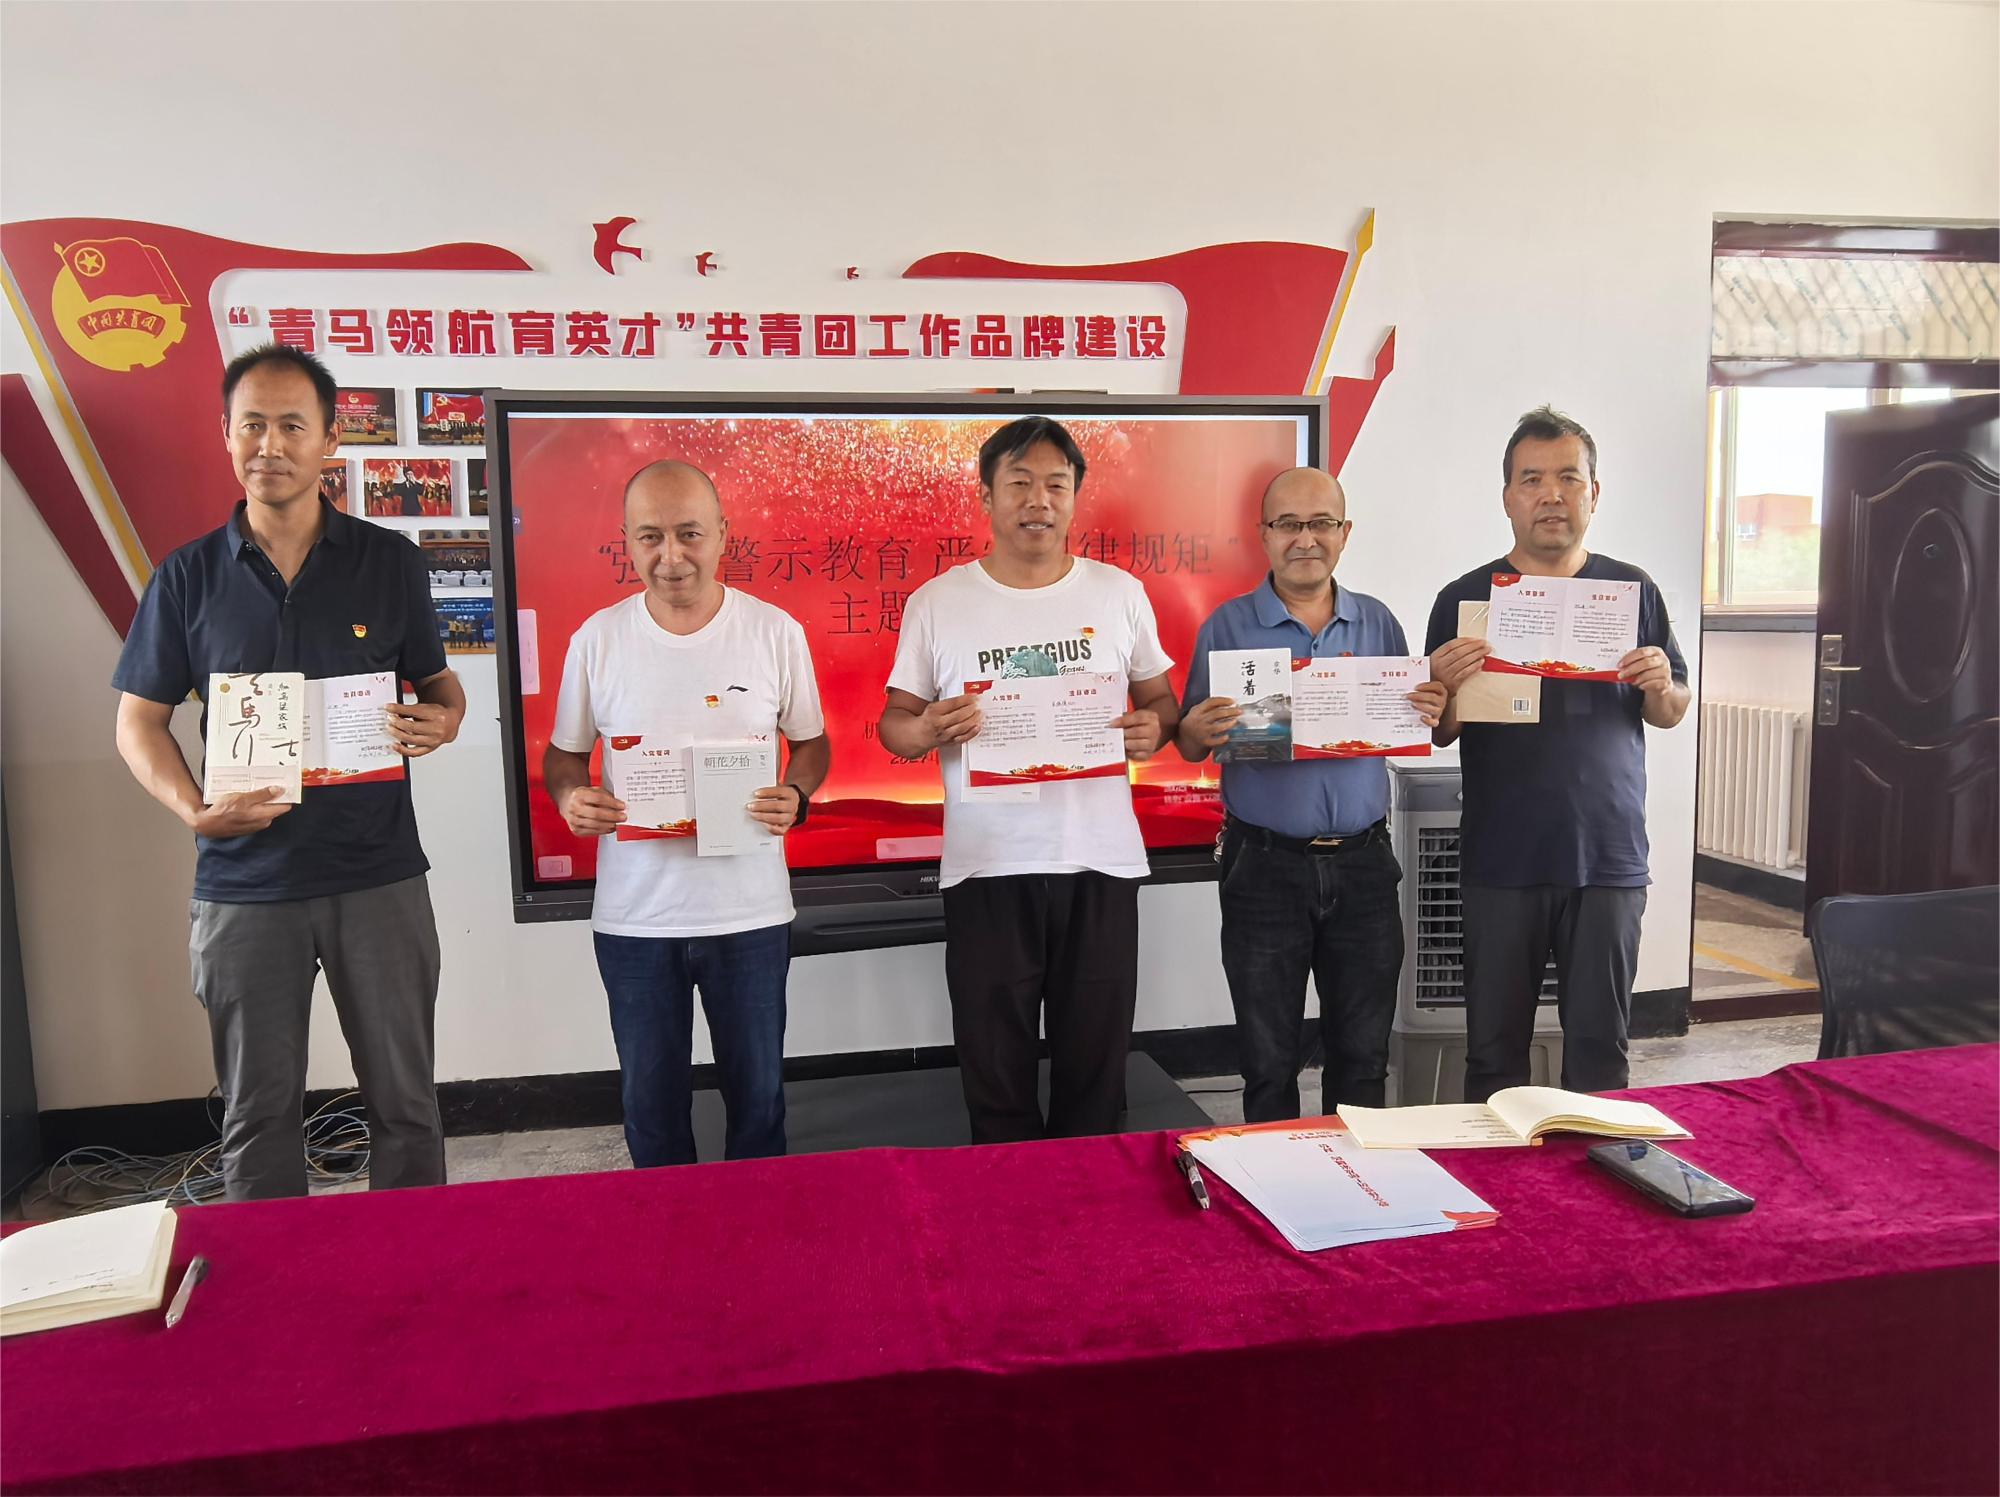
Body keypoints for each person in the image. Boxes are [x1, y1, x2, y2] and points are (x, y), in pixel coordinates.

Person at [112, 342, 465, 1201]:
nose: (269, 445)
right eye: (252, 425)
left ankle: (417, 1261)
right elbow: (138, 723)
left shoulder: (389, 561)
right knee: (257, 1114)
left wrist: (445, 720)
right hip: (245, 883)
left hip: (377, 874)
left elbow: (440, 687)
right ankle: (270, 1275)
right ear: (226, 435)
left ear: (330, 440)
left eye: (292, 426)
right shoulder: (187, 576)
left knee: (406, 1105)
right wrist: (192, 808)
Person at [880, 416, 1180, 1143]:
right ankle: (1005, 1197)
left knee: (1095, 1069)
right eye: (1019, 483)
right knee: (995, 1070)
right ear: (986, 496)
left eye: (1055, 484)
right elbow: (895, 725)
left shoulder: (1117, 593)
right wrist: (928, 729)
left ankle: (1090, 1199)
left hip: (1098, 860)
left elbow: (1163, 703)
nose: (1038, 500)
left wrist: (1155, 728)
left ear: (1075, 497)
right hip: (987, 864)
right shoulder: (937, 602)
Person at [544, 460, 828, 1167]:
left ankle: (754, 1228)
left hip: (750, 915)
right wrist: (570, 797)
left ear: (724, 534)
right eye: (650, 537)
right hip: (636, 920)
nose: (670, 555)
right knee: (651, 1111)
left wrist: (795, 794)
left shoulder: (774, 632)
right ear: (627, 541)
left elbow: (813, 744)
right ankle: (664, 1233)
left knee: (758, 1106)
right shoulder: (598, 639)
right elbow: (563, 756)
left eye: (689, 534)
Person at [1425, 405, 1689, 1101]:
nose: (1551, 494)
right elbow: (1441, 729)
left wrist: (1661, 682)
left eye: (1569, 478)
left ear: (1593, 493)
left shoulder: (1631, 591)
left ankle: (1596, 1172)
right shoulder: (1463, 599)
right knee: (1493, 1058)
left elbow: (1669, 710)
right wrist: (1444, 684)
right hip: (1501, 859)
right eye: (1532, 479)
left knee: (1601, 1059)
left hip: (1607, 858)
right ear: (1507, 496)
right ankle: (1498, 1170)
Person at [1177, 468, 1445, 1121]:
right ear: (1264, 534)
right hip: (1263, 867)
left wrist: (1429, 709)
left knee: (1363, 1057)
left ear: (1344, 533)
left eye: (1321, 523)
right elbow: (1188, 742)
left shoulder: (1378, 622)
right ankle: (1274, 1177)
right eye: (1289, 524)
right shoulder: (1228, 627)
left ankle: (1359, 1178)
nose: (1306, 538)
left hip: (1364, 865)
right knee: (1267, 1062)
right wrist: (1196, 731)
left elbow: (1409, 719)